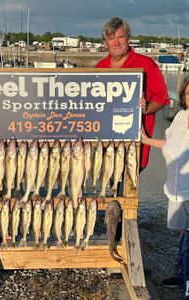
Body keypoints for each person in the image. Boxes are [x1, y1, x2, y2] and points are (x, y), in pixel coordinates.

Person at [95, 17, 169, 171]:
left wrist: (146, 108)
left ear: (128, 39)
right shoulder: (99, 67)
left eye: (120, 37)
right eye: (111, 38)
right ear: (105, 43)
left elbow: (162, 98)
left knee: (128, 192)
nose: (116, 42)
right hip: (103, 147)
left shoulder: (146, 64)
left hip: (135, 147)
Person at [140, 75, 189, 289]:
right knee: (181, 232)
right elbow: (170, 143)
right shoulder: (180, 117)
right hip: (174, 188)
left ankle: (185, 278)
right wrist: (146, 140)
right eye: (188, 93)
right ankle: (182, 274)